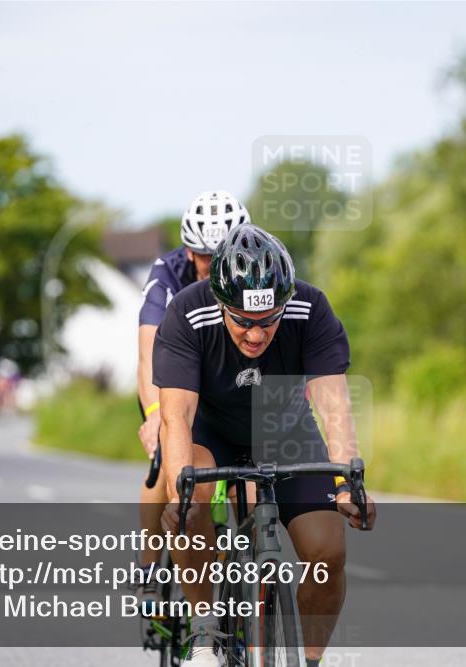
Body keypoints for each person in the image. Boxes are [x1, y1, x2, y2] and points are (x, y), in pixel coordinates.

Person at [154, 224, 377, 667]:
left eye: (269, 320)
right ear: (220, 303)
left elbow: (334, 405)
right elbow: (175, 416)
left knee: (328, 553)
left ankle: (308, 660)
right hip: (210, 429)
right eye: (243, 321)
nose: (256, 335)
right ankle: (203, 630)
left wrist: (349, 481)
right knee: (190, 496)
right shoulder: (186, 312)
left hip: (284, 430)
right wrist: (179, 492)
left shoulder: (310, 308)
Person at [136, 191, 250, 606]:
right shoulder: (165, 275)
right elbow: (148, 355)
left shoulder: (257, 265)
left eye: (223, 255)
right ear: (188, 251)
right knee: (165, 459)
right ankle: (149, 565)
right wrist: (153, 415)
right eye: (205, 257)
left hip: (230, 380)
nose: (214, 267)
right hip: (173, 377)